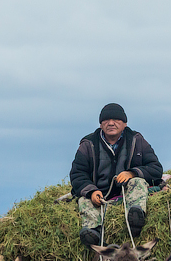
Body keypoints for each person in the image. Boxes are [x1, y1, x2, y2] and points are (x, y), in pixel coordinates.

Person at [69, 103, 163, 246]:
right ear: (101, 124)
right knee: (84, 200)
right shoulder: (88, 144)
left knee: (137, 182)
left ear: (125, 123)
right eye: (106, 120)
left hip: (126, 192)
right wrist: (92, 191)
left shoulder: (137, 140)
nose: (111, 123)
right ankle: (94, 233)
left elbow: (156, 168)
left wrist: (132, 173)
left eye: (116, 120)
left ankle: (135, 218)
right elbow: (77, 174)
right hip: (101, 196)